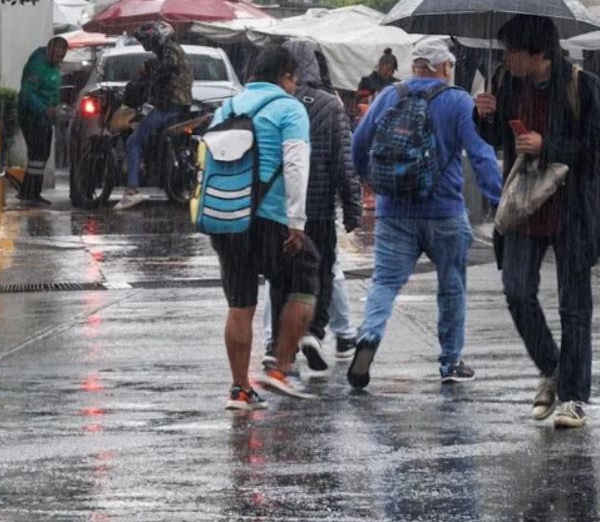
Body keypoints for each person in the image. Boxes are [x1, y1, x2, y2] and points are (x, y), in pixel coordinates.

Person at [474, 14, 600, 429]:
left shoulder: (580, 85)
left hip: (572, 209)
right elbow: (501, 138)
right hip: (524, 207)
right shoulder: (507, 83)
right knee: (516, 290)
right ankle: (553, 369)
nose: (506, 59)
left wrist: (548, 144)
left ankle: (573, 396)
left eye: (512, 52)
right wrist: (482, 117)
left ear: (538, 53)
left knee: (574, 308)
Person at [348, 39, 503, 389]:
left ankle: (369, 337)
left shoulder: (389, 95)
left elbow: (359, 144)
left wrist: (370, 179)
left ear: (415, 65)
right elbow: (480, 154)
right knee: (451, 286)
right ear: (444, 68)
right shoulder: (458, 100)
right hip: (444, 211)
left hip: (394, 211)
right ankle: (450, 362)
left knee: (385, 283)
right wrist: (499, 201)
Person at [211, 44, 319, 409]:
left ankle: (240, 389)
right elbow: (295, 165)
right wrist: (297, 221)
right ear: (286, 77)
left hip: (227, 217)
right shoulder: (290, 109)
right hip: (269, 218)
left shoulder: (227, 106)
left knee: (240, 303)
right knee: (305, 275)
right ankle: (281, 367)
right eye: (294, 80)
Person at [258, 40, 364, 375]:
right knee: (321, 273)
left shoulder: (273, 104)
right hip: (318, 210)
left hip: (277, 210)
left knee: (280, 279)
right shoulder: (330, 106)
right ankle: (315, 333)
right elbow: (343, 164)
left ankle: (277, 345)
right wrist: (352, 208)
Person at [114, 21, 194, 211]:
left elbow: (166, 66)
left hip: (168, 108)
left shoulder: (169, 50)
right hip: (177, 107)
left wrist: (146, 68)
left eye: (146, 40)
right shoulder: (173, 50)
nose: (144, 44)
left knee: (133, 141)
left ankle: (131, 191)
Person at [17, 37, 68, 206]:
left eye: (62, 57)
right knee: (38, 153)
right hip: (31, 116)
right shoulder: (37, 64)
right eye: (58, 56)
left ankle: (29, 191)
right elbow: (27, 93)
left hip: (45, 117)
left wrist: (56, 110)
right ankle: (31, 192)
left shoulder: (53, 66)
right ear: (50, 49)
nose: (59, 60)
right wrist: (45, 109)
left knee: (41, 153)